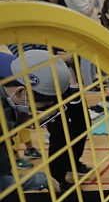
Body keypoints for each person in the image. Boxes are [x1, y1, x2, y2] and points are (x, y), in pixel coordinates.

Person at [0, 51, 76, 192]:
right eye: (37, 109)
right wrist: (41, 181)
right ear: (20, 92)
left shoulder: (14, 79)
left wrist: (22, 119)